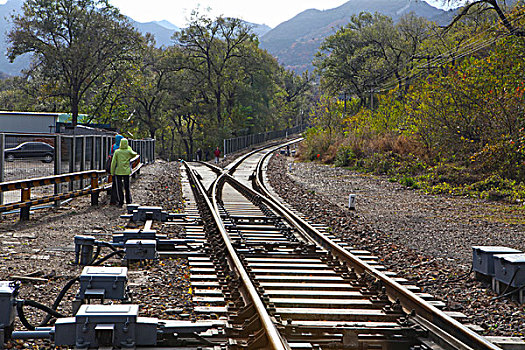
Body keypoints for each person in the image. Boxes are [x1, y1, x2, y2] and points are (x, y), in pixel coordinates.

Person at [110, 138, 137, 207]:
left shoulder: (117, 152)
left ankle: (121, 202)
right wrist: (128, 148)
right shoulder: (128, 152)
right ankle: (128, 201)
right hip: (126, 172)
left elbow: (113, 163)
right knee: (127, 187)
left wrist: (112, 172)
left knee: (119, 188)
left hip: (118, 171)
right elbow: (135, 154)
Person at [109, 134, 123, 205]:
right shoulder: (122, 147)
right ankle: (118, 199)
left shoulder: (113, 146)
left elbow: (109, 155)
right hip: (120, 168)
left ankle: (113, 200)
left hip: (113, 168)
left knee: (114, 184)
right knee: (119, 185)